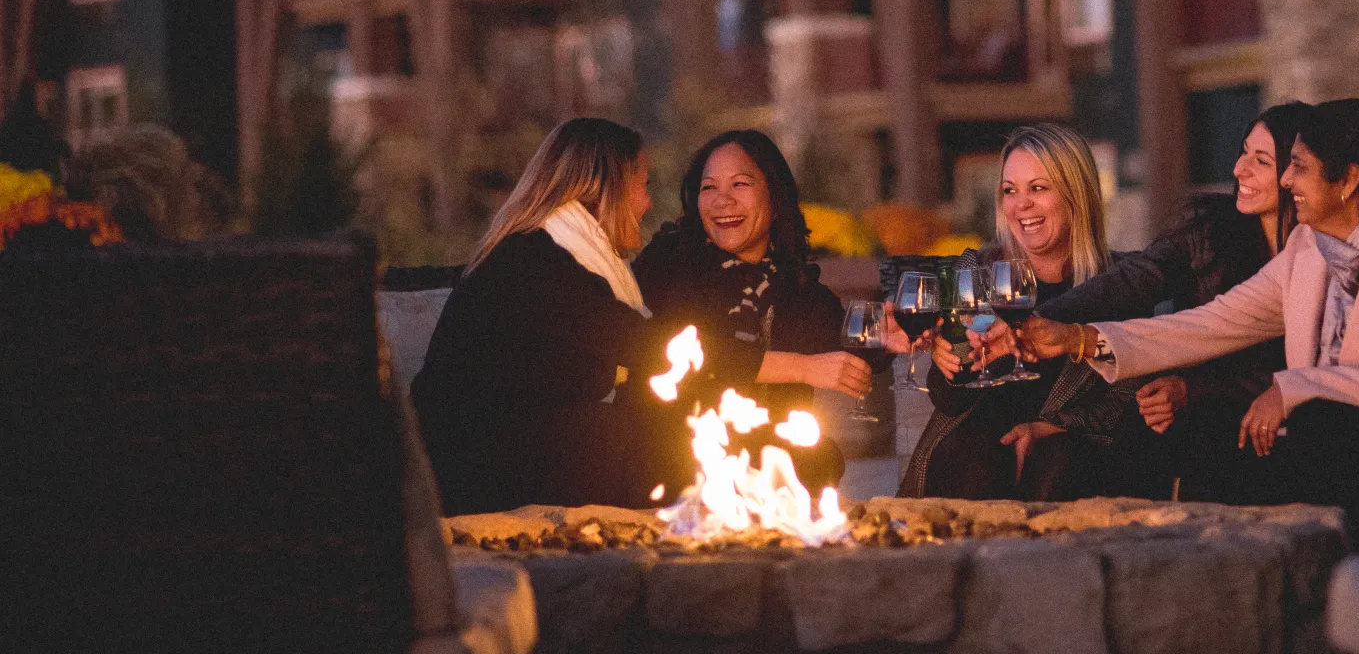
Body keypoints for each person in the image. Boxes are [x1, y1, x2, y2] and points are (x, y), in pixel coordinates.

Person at [1021, 99, 1359, 522]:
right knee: (1215, 443)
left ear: (1348, 180)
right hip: (1336, 430)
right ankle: (1224, 577)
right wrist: (1079, 338)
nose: (1286, 180)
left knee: (1320, 432)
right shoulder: (1308, 248)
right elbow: (1213, 323)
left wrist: (1291, 388)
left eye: (1298, 167)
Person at [412, 117, 686, 514]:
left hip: (490, 458)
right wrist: (791, 366)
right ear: (606, 188)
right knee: (622, 432)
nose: (647, 201)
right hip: (463, 469)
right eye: (643, 184)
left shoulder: (553, 256)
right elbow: (648, 346)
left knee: (638, 424)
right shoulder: (535, 262)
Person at [1037, 103, 1309, 476]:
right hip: (1197, 406)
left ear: (1300, 172)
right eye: (1243, 151)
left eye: (1261, 161)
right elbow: (1139, 277)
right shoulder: (1209, 227)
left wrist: (1196, 391)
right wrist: (1046, 316)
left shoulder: (1320, 252)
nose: (1238, 169)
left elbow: (1323, 364)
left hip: (1283, 412)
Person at [902, 123, 1154, 501]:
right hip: (977, 453)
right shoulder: (978, 270)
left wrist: (1052, 427)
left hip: (1072, 450)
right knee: (977, 459)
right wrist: (949, 364)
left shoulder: (1120, 282)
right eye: (1010, 191)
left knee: (1057, 461)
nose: (1021, 205)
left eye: (1038, 188)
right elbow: (950, 399)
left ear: (1076, 194)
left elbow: (1130, 394)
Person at [633, 129, 881, 490]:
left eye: (739, 184)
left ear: (775, 195)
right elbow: (693, 354)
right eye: (709, 188)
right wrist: (803, 367)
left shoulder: (796, 288)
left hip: (771, 472)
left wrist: (891, 335)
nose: (722, 201)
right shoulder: (671, 263)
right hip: (675, 461)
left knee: (818, 459)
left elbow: (849, 345)